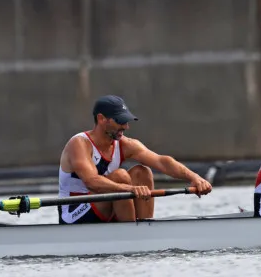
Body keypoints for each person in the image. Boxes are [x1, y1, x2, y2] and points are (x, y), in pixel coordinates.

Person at [58, 95, 213, 224]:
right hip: (73, 212)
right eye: (120, 121)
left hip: (106, 206)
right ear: (101, 119)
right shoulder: (79, 143)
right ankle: (132, 235)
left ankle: (144, 228)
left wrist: (195, 177)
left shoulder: (125, 144)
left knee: (142, 172)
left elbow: (162, 162)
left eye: (126, 121)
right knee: (121, 176)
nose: (126, 127)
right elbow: (92, 182)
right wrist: (130, 189)